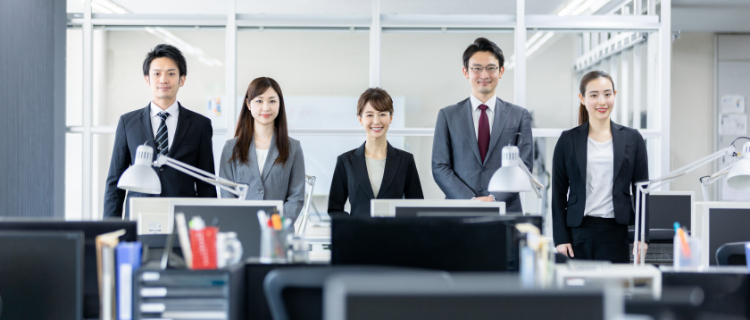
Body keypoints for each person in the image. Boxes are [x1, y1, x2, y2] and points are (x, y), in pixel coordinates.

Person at [103, 44, 217, 218]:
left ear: (182, 79)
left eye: (171, 74)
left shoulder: (200, 125)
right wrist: (111, 228)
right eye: (157, 74)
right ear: (147, 79)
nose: (163, 80)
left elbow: (206, 184)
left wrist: (209, 228)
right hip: (139, 216)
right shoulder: (128, 123)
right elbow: (114, 183)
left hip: (183, 218)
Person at [552, 70, 649, 263]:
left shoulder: (632, 138)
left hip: (616, 232)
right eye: (594, 95)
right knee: (578, 291)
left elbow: (642, 192)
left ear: (615, 95)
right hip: (578, 232)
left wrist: (642, 236)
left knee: (615, 290)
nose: (602, 101)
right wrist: (560, 238)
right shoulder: (568, 140)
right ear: (582, 98)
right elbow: (558, 193)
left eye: (607, 94)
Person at [432, 37, 533, 213]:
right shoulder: (448, 116)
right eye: (477, 68)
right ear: (466, 72)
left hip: (506, 210)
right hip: (460, 210)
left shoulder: (519, 115)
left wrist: (494, 199)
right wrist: (470, 200)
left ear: (501, 71)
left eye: (491, 68)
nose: (484, 75)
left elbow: (524, 165)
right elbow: (440, 166)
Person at [219, 77, 305, 221]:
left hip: (278, 233)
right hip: (241, 230)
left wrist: (276, 224)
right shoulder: (231, 148)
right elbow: (227, 195)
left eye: (272, 101)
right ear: (248, 104)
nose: (266, 107)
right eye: (259, 101)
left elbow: (296, 197)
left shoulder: (293, 148)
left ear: (279, 104)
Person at [328, 88, 424, 218]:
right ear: (360, 119)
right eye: (369, 115)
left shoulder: (405, 160)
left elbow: (416, 207)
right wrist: (351, 228)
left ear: (391, 118)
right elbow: (334, 209)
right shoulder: (346, 161)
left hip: (395, 236)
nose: (376, 121)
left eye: (382, 114)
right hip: (357, 236)